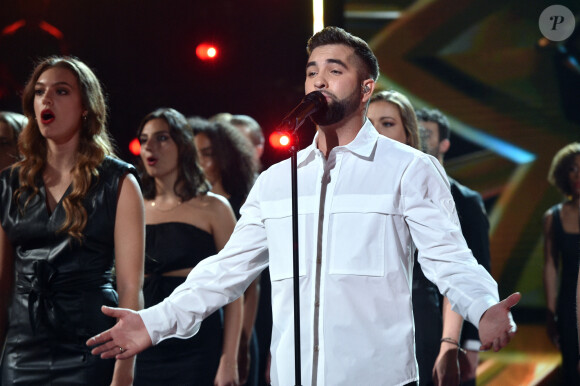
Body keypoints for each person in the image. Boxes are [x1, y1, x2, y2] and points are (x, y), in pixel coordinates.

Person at [88, 26, 520, 386]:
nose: (319, 81)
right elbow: (224, 272)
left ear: (367, 88)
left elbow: (449, 257)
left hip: (376, 376)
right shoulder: (279, 181)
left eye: (335, 70)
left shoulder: (408, 169)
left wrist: (483, 306)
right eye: (312, 71)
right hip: (293, 376)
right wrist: (152, 322)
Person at [0, 56, 144, 385]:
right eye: (39, 92)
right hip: (22, 349)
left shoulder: (118, 181)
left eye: (61, 91)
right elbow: (1, 284)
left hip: (92, 347)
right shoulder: (9, 183)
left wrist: (125, 369)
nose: (46, 100)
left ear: (85, 107)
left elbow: (130, 290)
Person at [134, 108, 242, 385]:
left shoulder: (214, 208)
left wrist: (229, 360)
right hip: (141, 340)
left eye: (161, 138)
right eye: (144, 139)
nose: (150, 147)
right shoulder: (132, 207)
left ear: (183, 144)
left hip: (196, 346)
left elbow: (235, 291)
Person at [416, 108, 492, 386]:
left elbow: (478, 266)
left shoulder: (465, 199)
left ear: (445, 144)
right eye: (418, 131)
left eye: (428, 133)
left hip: (450, 323)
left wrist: (471, 343)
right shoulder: (398, 190)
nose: (421, 139)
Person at [192, 117, 260, 385]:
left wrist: (241, 341)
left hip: (235, 327)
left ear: (223, 158)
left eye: (207, 154)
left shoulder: (240, 206)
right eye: (194, 153)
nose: (199, 162)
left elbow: (250, 287)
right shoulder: (192, 205)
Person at [543, 142, 580, 385]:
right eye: (573, 168)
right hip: (568, 307)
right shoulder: (553, 217)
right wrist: (551, 312)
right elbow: (550, 266)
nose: (578, 175)